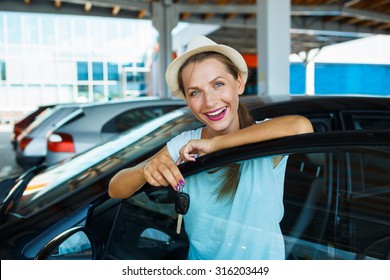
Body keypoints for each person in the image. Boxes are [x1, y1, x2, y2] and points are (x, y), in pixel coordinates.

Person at [108, 36, 314, 259]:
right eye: (195, 92)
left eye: (218, 84)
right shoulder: (183, 144)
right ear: (187, 99)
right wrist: (144, 170)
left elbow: (301, 127)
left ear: (238, 83)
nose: (209, 101)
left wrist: (215, 145)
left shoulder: (264, 137)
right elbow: (116, 188)